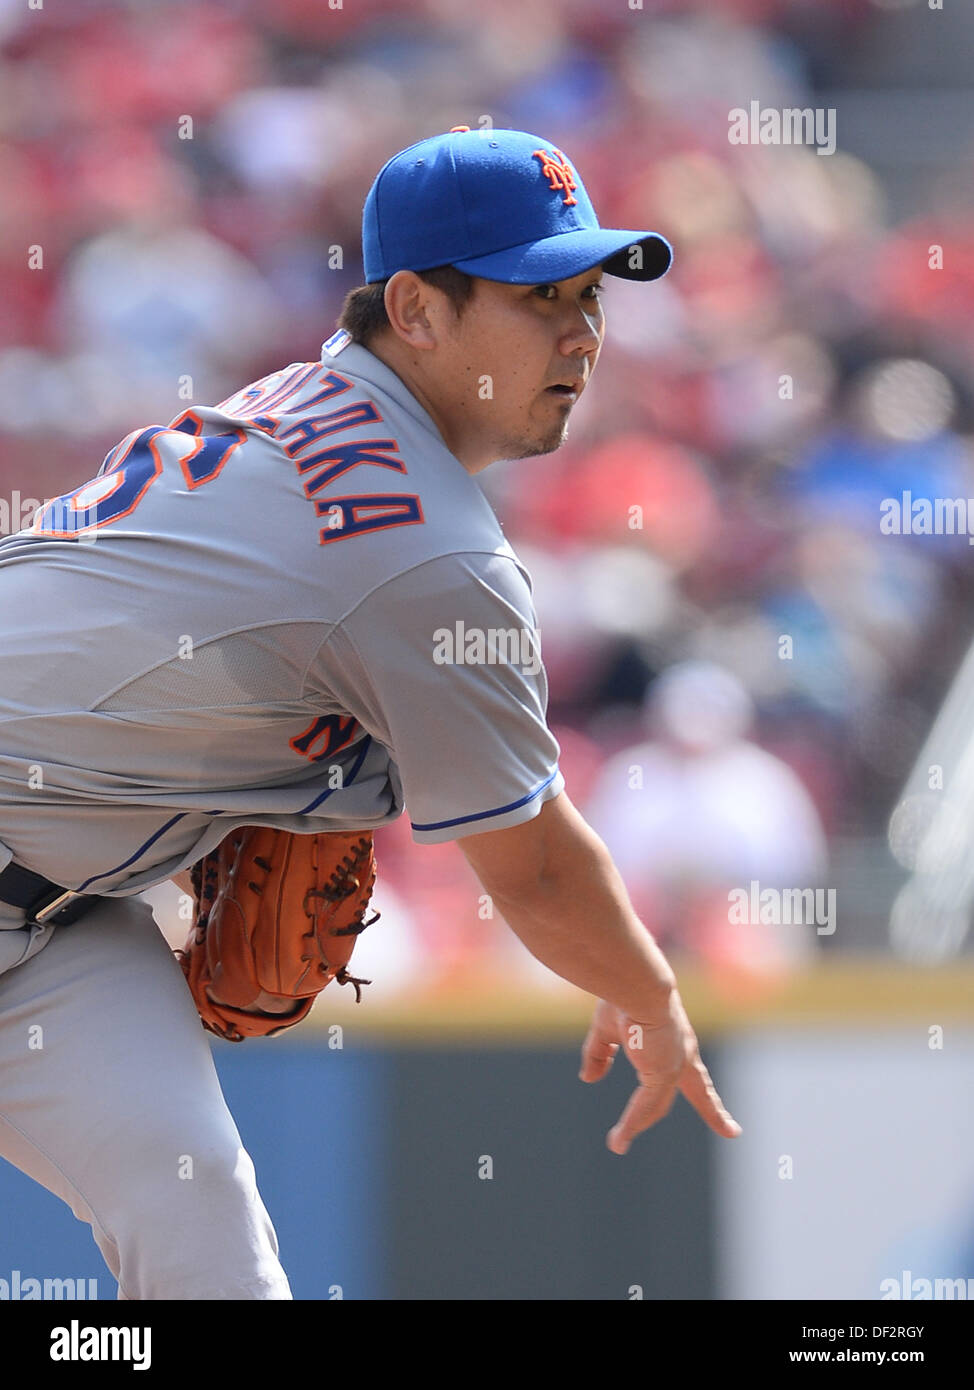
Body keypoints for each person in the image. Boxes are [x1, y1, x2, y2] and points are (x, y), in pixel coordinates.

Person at [0, 126, 739, 1302]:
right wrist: (648, 996)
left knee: (205, 1233)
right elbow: (535, 870)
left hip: (65, 919)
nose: (581, 331)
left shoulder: (315, 399)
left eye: (589, 295)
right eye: (538, 295)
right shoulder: (423, 551)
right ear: (417, 308)